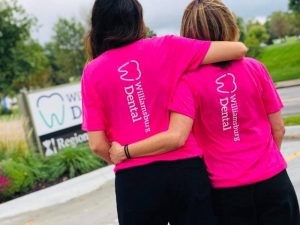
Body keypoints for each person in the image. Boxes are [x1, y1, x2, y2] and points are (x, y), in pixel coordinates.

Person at [109, 1, 300, 225]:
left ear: (188, 35)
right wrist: (265, 165)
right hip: (274, 182)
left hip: (226, 193)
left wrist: (125, 151)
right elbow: (278, 128)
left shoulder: (187, 83)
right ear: (229, 24)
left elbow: (176, 136)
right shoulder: (255, 68)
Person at [81, 0, 247, 224]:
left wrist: (127, 157)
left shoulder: (92, 72)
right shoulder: (167, 47)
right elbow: (237, 49)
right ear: (138, 20)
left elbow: (97, 144)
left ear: (98, 24)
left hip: (134, 180)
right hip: (185, 171)